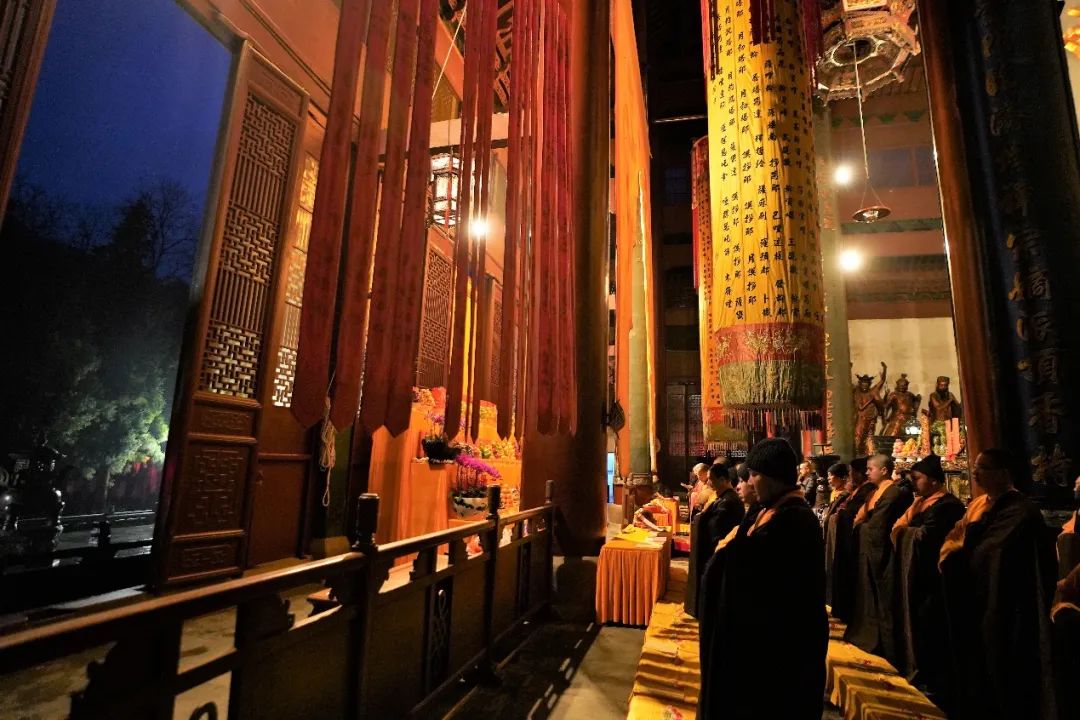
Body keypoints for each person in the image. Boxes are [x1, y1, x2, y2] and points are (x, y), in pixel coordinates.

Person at [698, 439, 827, 719]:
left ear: (773, 476)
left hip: (779, 650)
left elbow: (762, 577)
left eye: (754, 475)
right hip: (753, 642)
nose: (748, 482)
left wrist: (727, 552)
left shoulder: (796, 520)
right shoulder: (766, 508)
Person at [940, 449, 1058, 720]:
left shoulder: (1021, 511)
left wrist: (965, 551)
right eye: (975, 466)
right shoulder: (979, 504)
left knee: (1004, 665)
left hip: (1008, 602)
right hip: (978, 596)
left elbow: (993, 552)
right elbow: (957, 536)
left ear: (1004, 474)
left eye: (983, 468)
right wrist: (955, 553)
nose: (975, 472)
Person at [889, 454, 965, 707]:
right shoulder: (920, 503)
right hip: (916, 573)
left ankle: (935, 681)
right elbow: (904, 528)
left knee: (931, 625)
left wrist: (906, 533)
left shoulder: (947, 506)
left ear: (933, 480)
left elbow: (927, 536)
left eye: (917, 478)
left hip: (933, 577)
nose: (914, 484)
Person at [845, 453, 913, 660]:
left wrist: (861, 528)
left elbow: (878, 526)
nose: (867, 473)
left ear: (884, 470)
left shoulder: (893, 492)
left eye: (870, 469)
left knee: (884, 601)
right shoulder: (875, 492)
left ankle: (886, 646)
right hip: (870, 550)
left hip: (883, 553)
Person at [685, 462, 743, 618]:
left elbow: (717, 529)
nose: (709, 482)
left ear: (723, 480)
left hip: (718, 552)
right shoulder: (722, 497)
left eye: (711, 479)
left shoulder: (729, 501)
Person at [827, 456, 874, 622]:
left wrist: (842, 514)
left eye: (852, 472)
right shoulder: (858, 489)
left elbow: (854, 512)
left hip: (853, 540)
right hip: (846, 539)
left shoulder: (868, 490)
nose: (850, 476)